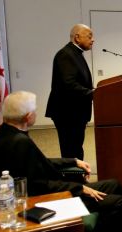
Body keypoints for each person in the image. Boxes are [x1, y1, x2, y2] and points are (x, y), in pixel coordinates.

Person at [0, 91, 122, 232]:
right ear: (28, 116)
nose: (37, 113)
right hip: (46, 200)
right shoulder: (19, 142)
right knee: (117, 205)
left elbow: (41, 162)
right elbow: (38, 186)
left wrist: (73, 161)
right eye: (35, 111)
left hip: (48, 190)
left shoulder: (6, 134)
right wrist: (80, 188)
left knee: (113, 184)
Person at [46, 24, 94, 160]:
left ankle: (76, 177)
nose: (93, 40)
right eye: (89, 36)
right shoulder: (66, 55)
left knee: (76, 148)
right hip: (67, 112)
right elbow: (69, 85)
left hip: (75, 112)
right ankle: (73, 178)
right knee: (71, 150)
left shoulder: (75, 53)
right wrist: (92, 93)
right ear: (77, 38)